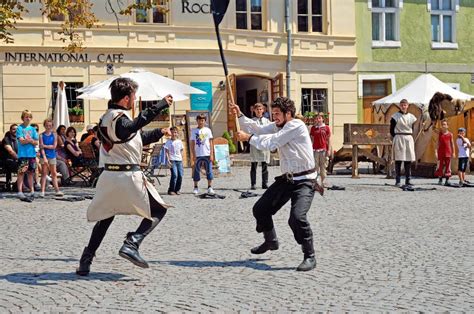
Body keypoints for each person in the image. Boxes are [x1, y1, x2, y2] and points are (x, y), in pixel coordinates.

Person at [76, 77, 173, 276]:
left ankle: (86, 260)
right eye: (134, 96)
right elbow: (130, 128)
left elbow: (133, 137)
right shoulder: (119, 118)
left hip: (109, 178)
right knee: (158, 210)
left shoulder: (108, 117)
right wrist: (160, 106)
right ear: (126, 98)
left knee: (105, 218)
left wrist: (159, 132)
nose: (135, 99)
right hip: (127, 176)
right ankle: (132, 243)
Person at [232, 97, 319, 272]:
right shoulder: (279, 125)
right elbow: (259, 128)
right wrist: (240, 115)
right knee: (260, 209)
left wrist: (248, 138)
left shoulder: (296, 126)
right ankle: (271, 241)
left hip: (305, 180)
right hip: (287, 179)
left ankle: (309, 255)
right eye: (273, 114)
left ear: (288, 114)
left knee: (297, 218)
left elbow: (272, 142)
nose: (275, 117)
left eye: (278, 114)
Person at [390, 99, 417, 186]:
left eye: (405, 105)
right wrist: (397, 137)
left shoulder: (412, 117)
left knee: (408, 160)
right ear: (399, 106)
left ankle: (408, 180)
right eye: (402, 105)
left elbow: (412, 128)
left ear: (407, 106)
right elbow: (391, 130)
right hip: (399, 137)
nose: (403, 107)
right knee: (398, 160)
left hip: (408, 138)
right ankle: (398, 180)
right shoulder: (395, 116)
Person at [16, 110, 39, 199]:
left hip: (31, 154)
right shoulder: (19, 128)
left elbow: (36, 142)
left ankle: (32, 191)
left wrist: (30, 141)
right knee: (21, 173)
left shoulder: (33, 129)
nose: (28, 118)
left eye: (29, 117)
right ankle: (20, 191)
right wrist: (30, 141)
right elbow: (21, 141)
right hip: (23, 154)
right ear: (23, 118)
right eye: (26, 117)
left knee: (31, 173)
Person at [39, 118, 63, 197]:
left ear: (52, 126)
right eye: (47, 125)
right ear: (44, 126)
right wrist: (44, 157)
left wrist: (45, 146)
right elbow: (41, 148)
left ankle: (57, 190)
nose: (48, 127)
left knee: (54, 173)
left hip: (52, 156)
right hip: (44, 156)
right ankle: (42, 191)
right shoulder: (41, 135)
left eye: (50, 125)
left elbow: (54, 146)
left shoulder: (55, 135)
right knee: (44, 173)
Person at [191, 114, 214, 195]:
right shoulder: (194, 131)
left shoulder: (208, 130)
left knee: (209, 170)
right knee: (196, 171)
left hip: (207, 153)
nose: (201, 122)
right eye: (199, 120)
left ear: (205, 121)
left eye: (202, 120)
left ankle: (209, 187)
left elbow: (211, 142)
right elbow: (192, 143)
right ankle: (196, 187)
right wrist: (193, 155)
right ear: (197, 121)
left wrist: (211, 154)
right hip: (198, 154)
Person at [249, 103, 270, 190]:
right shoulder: (251, 121)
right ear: (254, 110)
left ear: (263, 110)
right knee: (254, 165)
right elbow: (249, 131)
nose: (259, 111)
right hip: (255, 144)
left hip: (264, 144)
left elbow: (270, 131)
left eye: (260, 109)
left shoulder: (267, 121)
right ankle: (253, 184)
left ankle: (264, 183)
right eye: (257, 109)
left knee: (265, 164)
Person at [310, 112, 331, 188]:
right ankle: (315, 183)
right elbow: (311, 139)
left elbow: (328, 140)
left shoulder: (326, 128)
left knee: (323, 167)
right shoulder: (313, 128)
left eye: (319, 118)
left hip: (323, 150)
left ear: (322, 119)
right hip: (315, 150)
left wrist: (329, 150)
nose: (318, 119)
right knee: (315, 167)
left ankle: (323, 182)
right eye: (317, 118)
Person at [434, 119, 455, 185]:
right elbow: (437, 143)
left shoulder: (450, 134)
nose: (443, 126)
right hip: (441, 152)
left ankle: (447, 179)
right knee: (440, 166)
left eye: (445, 124)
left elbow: (452, 143)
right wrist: (436, 151)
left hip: (448, 152)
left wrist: (454, 152)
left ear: (447, 126)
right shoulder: (440, 134)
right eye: (442, 124)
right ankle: (440, 179)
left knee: (448, 166)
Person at [164, 127, 184, 195]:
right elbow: (166, 151)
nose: (174, 134)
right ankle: (171, 190)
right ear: (170, 133)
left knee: (180, 175)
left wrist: (181, 158)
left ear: (177, 133)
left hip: (179, 160)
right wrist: (168, 160)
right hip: (172, 160)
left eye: (175, 132)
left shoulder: (179, 142)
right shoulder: (168, 142)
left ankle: (177, 189)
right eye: (172, 132)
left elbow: (181, 150)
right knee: (175, 175)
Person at [0, 124, 19, 191]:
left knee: (30, 165)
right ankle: (17, 185)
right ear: (10, 130)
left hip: (15, 160)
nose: (15, 131)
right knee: (24, 167)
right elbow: (11, 151)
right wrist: (19, 159)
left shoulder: (19, 139)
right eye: (13, 129)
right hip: (7, 161)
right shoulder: (6, 139)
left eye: (17, 129)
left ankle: (17, 185)